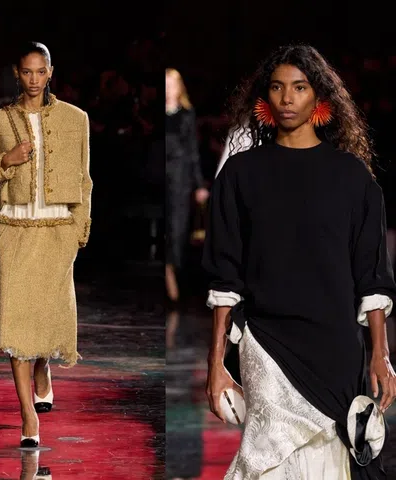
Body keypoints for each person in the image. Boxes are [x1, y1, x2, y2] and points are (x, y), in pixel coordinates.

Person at [203, 44, 396, 479]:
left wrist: (380, 355)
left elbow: (372, 275)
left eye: (300, 87)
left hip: (335, 345)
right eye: (277, 87)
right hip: (266, 340)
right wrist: (216, 364)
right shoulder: (240, 174)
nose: (287, 98)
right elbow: (224, 275)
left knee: (331, 455)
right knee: (269, 454)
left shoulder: (352, 177)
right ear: (264, 98)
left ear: (319, 97)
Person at [0, 41, 92, 448]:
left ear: (51, 72)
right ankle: (28, 415)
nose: (34, 79)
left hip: (57, 229)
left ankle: (43, 366)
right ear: (16, 74)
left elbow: (85, 180)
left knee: (47, 316)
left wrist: (79, 230)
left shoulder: (76, 119)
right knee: (15, 321)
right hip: (14, 228)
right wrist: (6, 160)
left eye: (41, 71)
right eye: (27, 72)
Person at [165, 68, 209, 303]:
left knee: (178, 229)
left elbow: (193, 150)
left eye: (171, 84)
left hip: (180, 180)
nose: (167, 89)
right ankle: (168, 276)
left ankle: (173, 272)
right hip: (160, 176)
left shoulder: (186, 114)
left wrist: (199, 184)